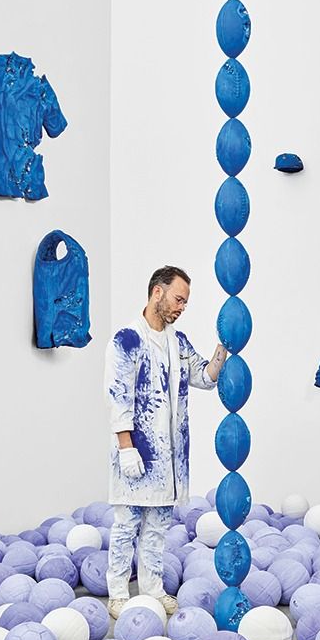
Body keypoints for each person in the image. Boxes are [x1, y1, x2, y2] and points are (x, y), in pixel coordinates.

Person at [104, 265, 227, 619]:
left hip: (169, 458)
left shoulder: (179, 342)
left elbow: (205, 376)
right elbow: (117, 394)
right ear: (157, 292)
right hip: (137, 450)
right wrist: (126, 447)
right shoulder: (127, 340)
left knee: (158, 527)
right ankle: (117, 593)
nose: (181, 307)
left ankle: (152, 589)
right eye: (178, 299)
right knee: (126, 524)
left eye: (185, 303)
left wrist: (224, 347)